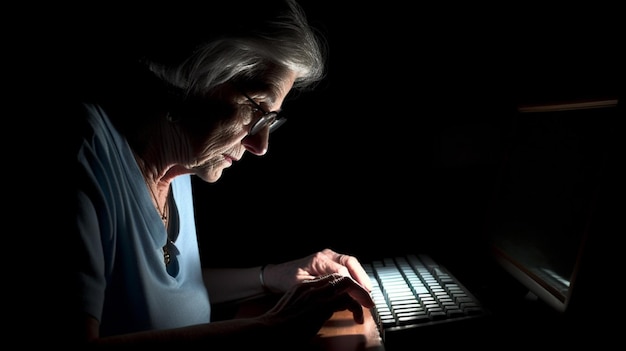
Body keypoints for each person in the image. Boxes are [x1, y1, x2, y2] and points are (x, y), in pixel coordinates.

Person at [66, 0, 374, 349]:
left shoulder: (182, 159)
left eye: (271, 119)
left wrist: (272, 276)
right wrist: (271, 327)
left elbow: (174, 296)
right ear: (194, 74)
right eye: (258, 109)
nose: (261, 145)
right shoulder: (85, 151)